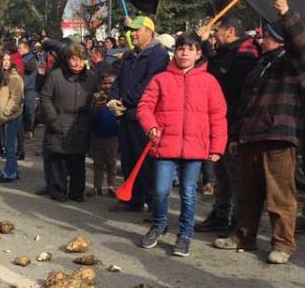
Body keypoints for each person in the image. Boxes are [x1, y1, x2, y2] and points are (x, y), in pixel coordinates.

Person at [214, 0, 304, 264]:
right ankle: (243, 236)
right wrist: (236, 136)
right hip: (250, 136)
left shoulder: (292, 62)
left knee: (280, 195)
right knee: (248, 193)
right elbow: (245, 103)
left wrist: (286, 13)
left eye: (265, 35)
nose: (259, 39)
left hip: (278, 135)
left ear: (278, 37)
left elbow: (300, 44)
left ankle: (282, 244)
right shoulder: (260, 64)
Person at [137, 32, 227, 257]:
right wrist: (150, 127)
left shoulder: (209, 82)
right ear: (174, 52)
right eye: (180, 48)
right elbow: (144, 107)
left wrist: (217, 146)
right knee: (160, 191)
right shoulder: (160, 79)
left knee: (188, 193)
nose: (185, 52)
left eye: (190, 49)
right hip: (165, 145)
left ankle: (185, 234)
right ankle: (159, 225)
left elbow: (218, 115)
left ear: (198, 54)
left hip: (195, 149)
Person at [194, 15, 260, 234]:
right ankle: (220, 214)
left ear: (230, 32)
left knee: (236, 177)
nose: (215, 35)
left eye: (217, 31)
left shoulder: (245, 55)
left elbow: (233, 89)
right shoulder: (227, 53)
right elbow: (214, 63)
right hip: (218, 123)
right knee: (221, 173)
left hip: (234, 123)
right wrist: (203, 44)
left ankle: (238, 221)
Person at [107, 16, 171, 212]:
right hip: (125, 116)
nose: (132, 34)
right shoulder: (129, 55)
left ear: (149, 32)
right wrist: (113, 98)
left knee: (146, 164)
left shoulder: (158, 55)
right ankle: (132, 199)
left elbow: (148, 85)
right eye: (132, 30)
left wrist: (125, 101)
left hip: (143, 117)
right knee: (128, 159)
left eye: (137, 30)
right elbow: (118, 81)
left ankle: (153, 206)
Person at [39, 44, 99, 202]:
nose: (77, 64)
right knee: (59, 161)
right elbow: (45, 97)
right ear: (67, 60)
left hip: (81, 124)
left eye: (81, 60)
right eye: (74, 60)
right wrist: (52, 118)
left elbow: (97, 97)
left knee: (78, 161)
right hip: (59, 122)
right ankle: (59, 191)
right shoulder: (56, 76)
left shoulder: (91, 78)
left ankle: (77, 192)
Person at [0, 52, 23, 182]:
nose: (6, 62)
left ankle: (10, 172)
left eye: (8, 59)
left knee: (9, 145)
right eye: (4, 59)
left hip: (11, 116)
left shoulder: (15, 77)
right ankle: (12, 169)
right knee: (6, 145)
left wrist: (6, 112)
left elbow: (16, 98)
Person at [87, 72, 119, 197]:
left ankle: (111, 186)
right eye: (105, 83)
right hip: (97, 133)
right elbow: (90, 114)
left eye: (110, 83)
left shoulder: (118, 97)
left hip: (112, 134)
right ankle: (97, 186)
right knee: (98, 162)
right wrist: (96, 107)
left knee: (111, 162)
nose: (107, 86)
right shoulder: (96, 97)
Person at [18, 40, 38, 140]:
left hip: (29, 88)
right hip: (20, 88)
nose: (18, 50)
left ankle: (29, 129)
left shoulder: (31, 58)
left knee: (29, 110)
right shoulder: (19, 58)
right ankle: (22, 130)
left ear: (26, 48)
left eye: (20, 48)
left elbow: (31, 68)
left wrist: (19, 63)